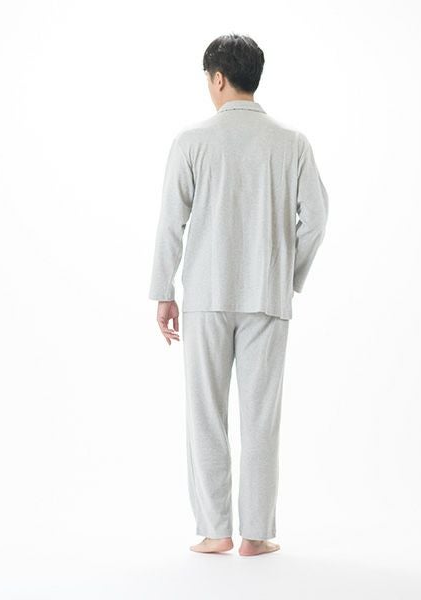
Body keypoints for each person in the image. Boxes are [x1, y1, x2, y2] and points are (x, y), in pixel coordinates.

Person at [148, 33, 329, 556]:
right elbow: (316, 219)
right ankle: (256, 536)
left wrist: (163, 290)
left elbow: (171, 223)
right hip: (267, 297)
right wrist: (287, 275)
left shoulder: (191, 141)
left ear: (219, 78)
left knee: (205, 414)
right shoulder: (292, 143)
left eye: (209, 79)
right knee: (261, 418)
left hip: (206, 294)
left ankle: (215, 531)